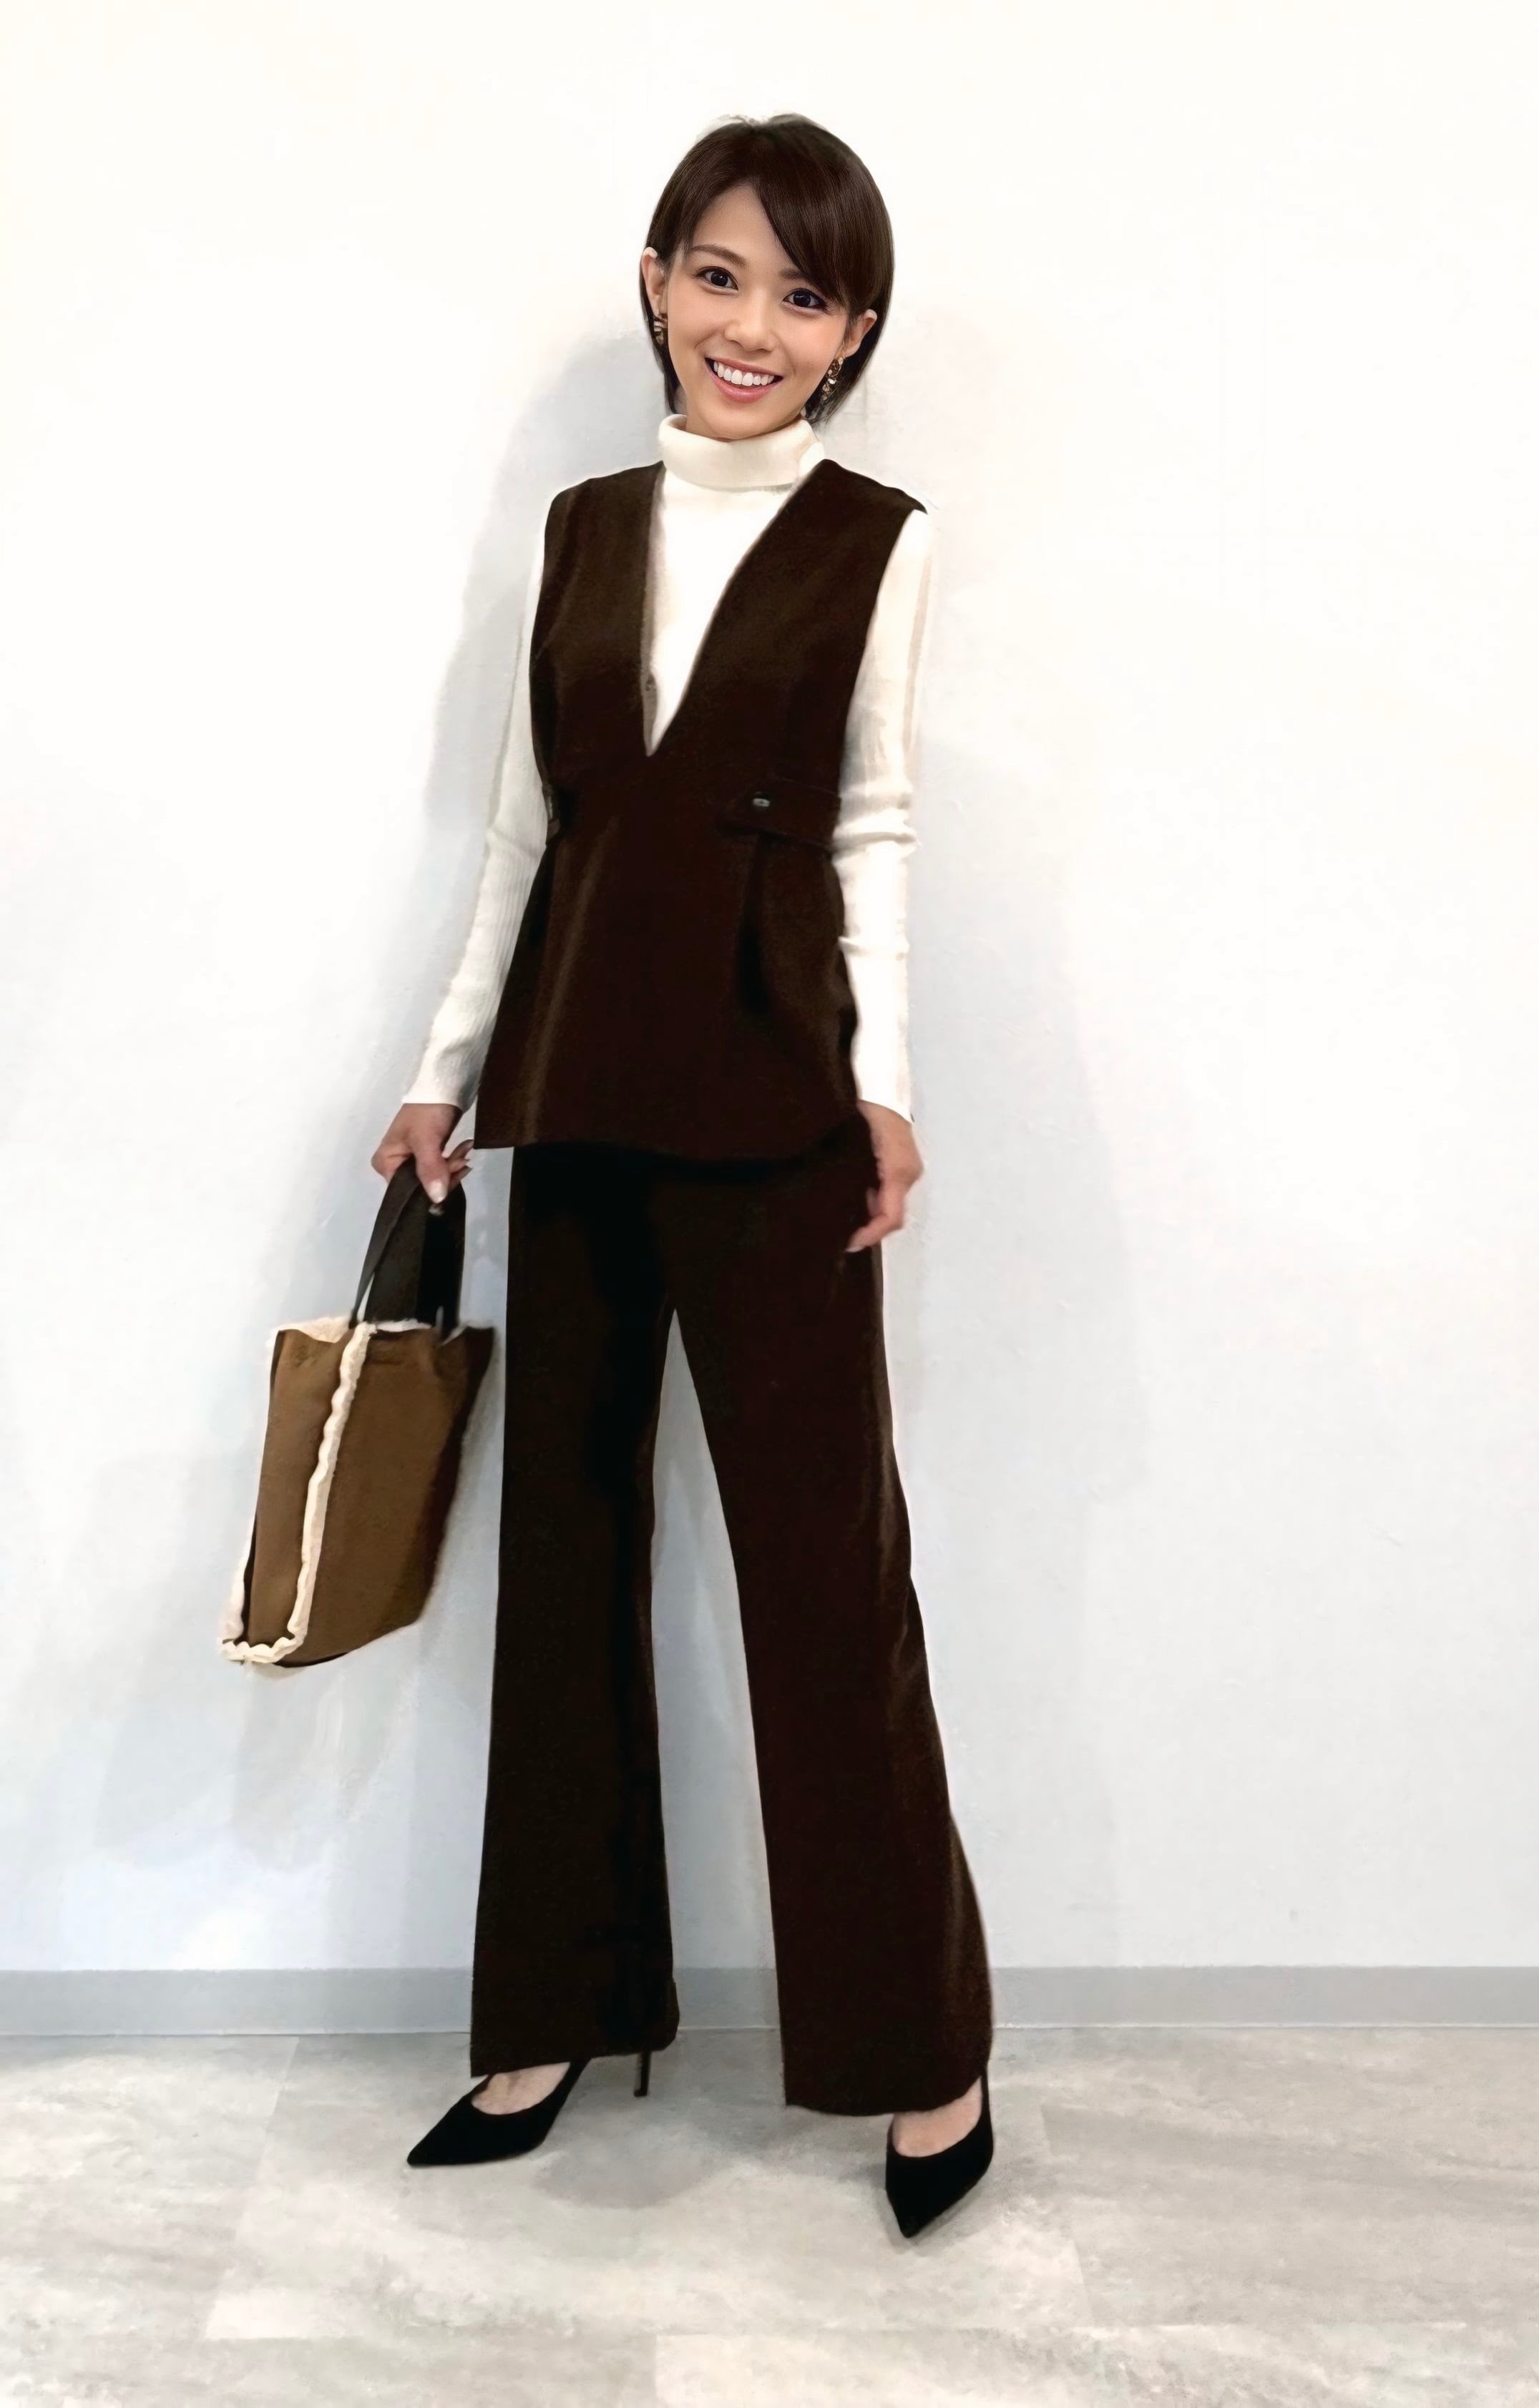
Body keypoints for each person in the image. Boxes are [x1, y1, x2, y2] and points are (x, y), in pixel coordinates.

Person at [371, 112, 995, 2238]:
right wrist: (443, 1073)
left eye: (805, 296)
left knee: (831, 1578)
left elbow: (877, 821)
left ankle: (921, 2049)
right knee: (563, 1560)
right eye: (720, 276)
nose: (755, 326)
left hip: (779, 1099)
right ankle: (552, 2015)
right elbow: (523, 830)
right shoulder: (579, 531)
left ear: (852, 333)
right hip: (573, 1088)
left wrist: (885, 1087)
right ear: (657, 282)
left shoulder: (879, 539)